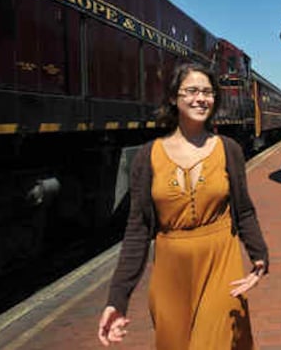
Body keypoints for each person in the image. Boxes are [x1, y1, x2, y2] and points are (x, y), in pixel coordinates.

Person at [98, 62, 268, 349]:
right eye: (191, 91)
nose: (200, 98)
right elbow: (137, 229)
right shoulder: (147, 157)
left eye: (207, 92)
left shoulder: (229, 149)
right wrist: (118, 299)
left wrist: (259, 254)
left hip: (220, 262)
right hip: (170, 271)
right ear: (173, 97)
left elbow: (245, 209)